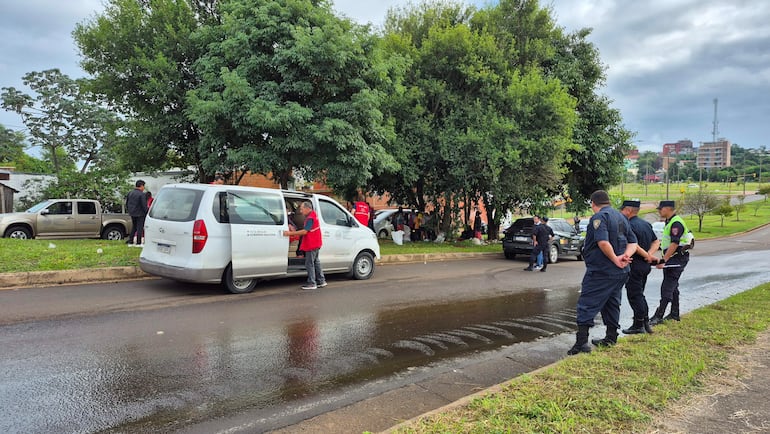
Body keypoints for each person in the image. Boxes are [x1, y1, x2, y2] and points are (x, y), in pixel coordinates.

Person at [568, 190, 637, 355]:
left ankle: (581, 343)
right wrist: (625, 256)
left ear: (593, 203)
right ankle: (611, 337)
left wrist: (615, 259)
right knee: (612, 302)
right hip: (621, 272)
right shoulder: (621, 217)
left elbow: (603, 242)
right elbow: (633, 242)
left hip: (601, 271)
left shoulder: (599, 217)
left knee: (587, 304)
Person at [619, 200, 660, 334]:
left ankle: (639, 324)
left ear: (629, 210)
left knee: (635, 295)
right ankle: (645, 323)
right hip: (645, 266)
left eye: (622, 210)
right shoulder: (646, 224)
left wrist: (647, 255)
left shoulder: (628, 225)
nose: (620, 212)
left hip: (634, 265)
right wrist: (649, 254)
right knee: (639, 294)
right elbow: (656, 241)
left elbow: (634, 245)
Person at [649, 200, 693, 325]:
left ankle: (659, 315)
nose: (659, 211)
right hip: (675, 257)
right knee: (673, 287)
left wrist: (664, 260)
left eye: (660, 209)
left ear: (668, 208)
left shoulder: (676, 223)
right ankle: (674, 314)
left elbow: (674, 243)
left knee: (667, 287)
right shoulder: (670, 221)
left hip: (676, 258)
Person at [283, 201, 326, 290]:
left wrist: (290, 233)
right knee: (316, 262)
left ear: (307, 208)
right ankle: (321, 281)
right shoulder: (313, 215)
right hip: (316, 242)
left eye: (302, 209)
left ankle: (312, 283)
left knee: (309, 263)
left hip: (312, 243)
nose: (301, 211)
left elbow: (305, 231)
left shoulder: (310, 218)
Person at [125, 180, 148, 246]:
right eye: (143, 186)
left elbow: (127, 203)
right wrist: (147, 212)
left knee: (134, 227)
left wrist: (130, 211)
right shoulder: (142, 194)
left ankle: (130, 241)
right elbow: (144, 205)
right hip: (140, 214)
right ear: (141, 186)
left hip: (132, 213)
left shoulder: (130, 193)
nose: (144, 188)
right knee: (140, 228)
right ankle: (138, 243)